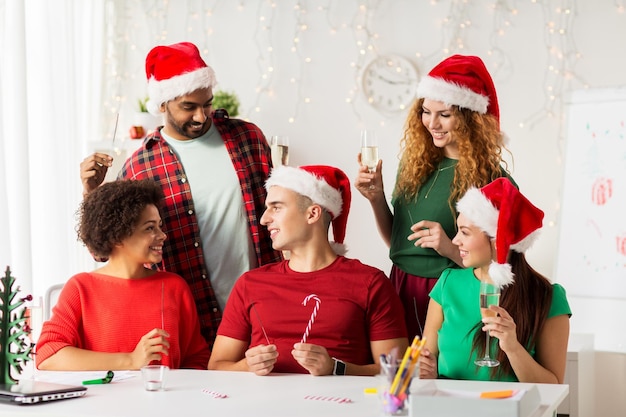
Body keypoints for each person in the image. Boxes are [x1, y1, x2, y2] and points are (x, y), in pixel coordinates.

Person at [79, 42, 282, 348]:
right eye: (189, 107)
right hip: (189, 323)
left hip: (263, 312)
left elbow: (283, 212)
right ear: (162, 104)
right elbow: (105, 250)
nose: (202, 116)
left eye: (207, 104)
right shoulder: (140, 165)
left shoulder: (247, 139)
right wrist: (90, 192)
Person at [355, 54, 515, 339]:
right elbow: (399, 241)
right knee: (402, 376)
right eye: (426, 112)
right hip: (400, 285)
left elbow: (505, 262)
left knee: (443, 374)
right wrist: (376, 198)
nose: (432, 123)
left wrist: (449, 248)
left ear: (469, 119)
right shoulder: (415, 163)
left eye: (444, 115)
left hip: (453, 290)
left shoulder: (492, 179)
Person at [208, 165, 408, 376]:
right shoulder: (249, 283)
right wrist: (247, 366)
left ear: (312, 214)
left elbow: (398, 371)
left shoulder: (370, 282)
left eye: (276, 207)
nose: (264, 219)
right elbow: (217, 365)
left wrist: (336, 368)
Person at [36, 179, 211, 371]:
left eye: (159, 226)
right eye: (150, 228)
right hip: (103, 401)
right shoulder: (81, 288)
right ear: (118, 236)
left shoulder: (174, 287)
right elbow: (49, 355)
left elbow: (197, 358)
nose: (162, 235)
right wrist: (131, 360)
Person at [419, 178, 571, 383]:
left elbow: (553, 386)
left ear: (498, 240)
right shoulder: (447, 284)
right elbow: (425, 362)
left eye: (464, 232)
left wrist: (512, 348)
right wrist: (425, 372)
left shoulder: (548, 297)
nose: (455, 241)